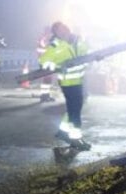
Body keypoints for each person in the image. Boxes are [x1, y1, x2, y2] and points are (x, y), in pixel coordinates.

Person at [39, 21, 90, 150]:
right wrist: (54, 66)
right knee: (74, 111)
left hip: (79, 79)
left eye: (64, 28)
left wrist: (92, 59)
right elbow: (44, 60)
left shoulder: (78, 40)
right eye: (59, 30)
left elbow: (87, 53)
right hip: (67, 81)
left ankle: (63, 131)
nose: (63, 31)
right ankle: (75, 138)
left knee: (75, 108)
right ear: (56, 33)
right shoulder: (56, 44)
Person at [35, 27, 57, 103]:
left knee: (47, 79)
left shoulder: (43, 38)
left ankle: (45, 95)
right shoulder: (46, 39)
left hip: (45, 61)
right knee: (47, 79)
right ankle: (44, 95)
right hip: (47, 62)